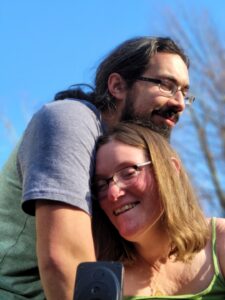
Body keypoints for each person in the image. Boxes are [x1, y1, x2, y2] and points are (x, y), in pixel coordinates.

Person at [0, 36, 194, 300]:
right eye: (166, 85)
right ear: (117, 86)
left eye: (184, 92)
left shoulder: (123, 152)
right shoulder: (70, 120)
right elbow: (66, 264)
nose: (179, 103)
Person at [92, 122, 225, 299]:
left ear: (171, 170)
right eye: (101, 184)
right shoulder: (97, 270)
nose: (112, 193)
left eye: (129, 172)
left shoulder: (219, 241)